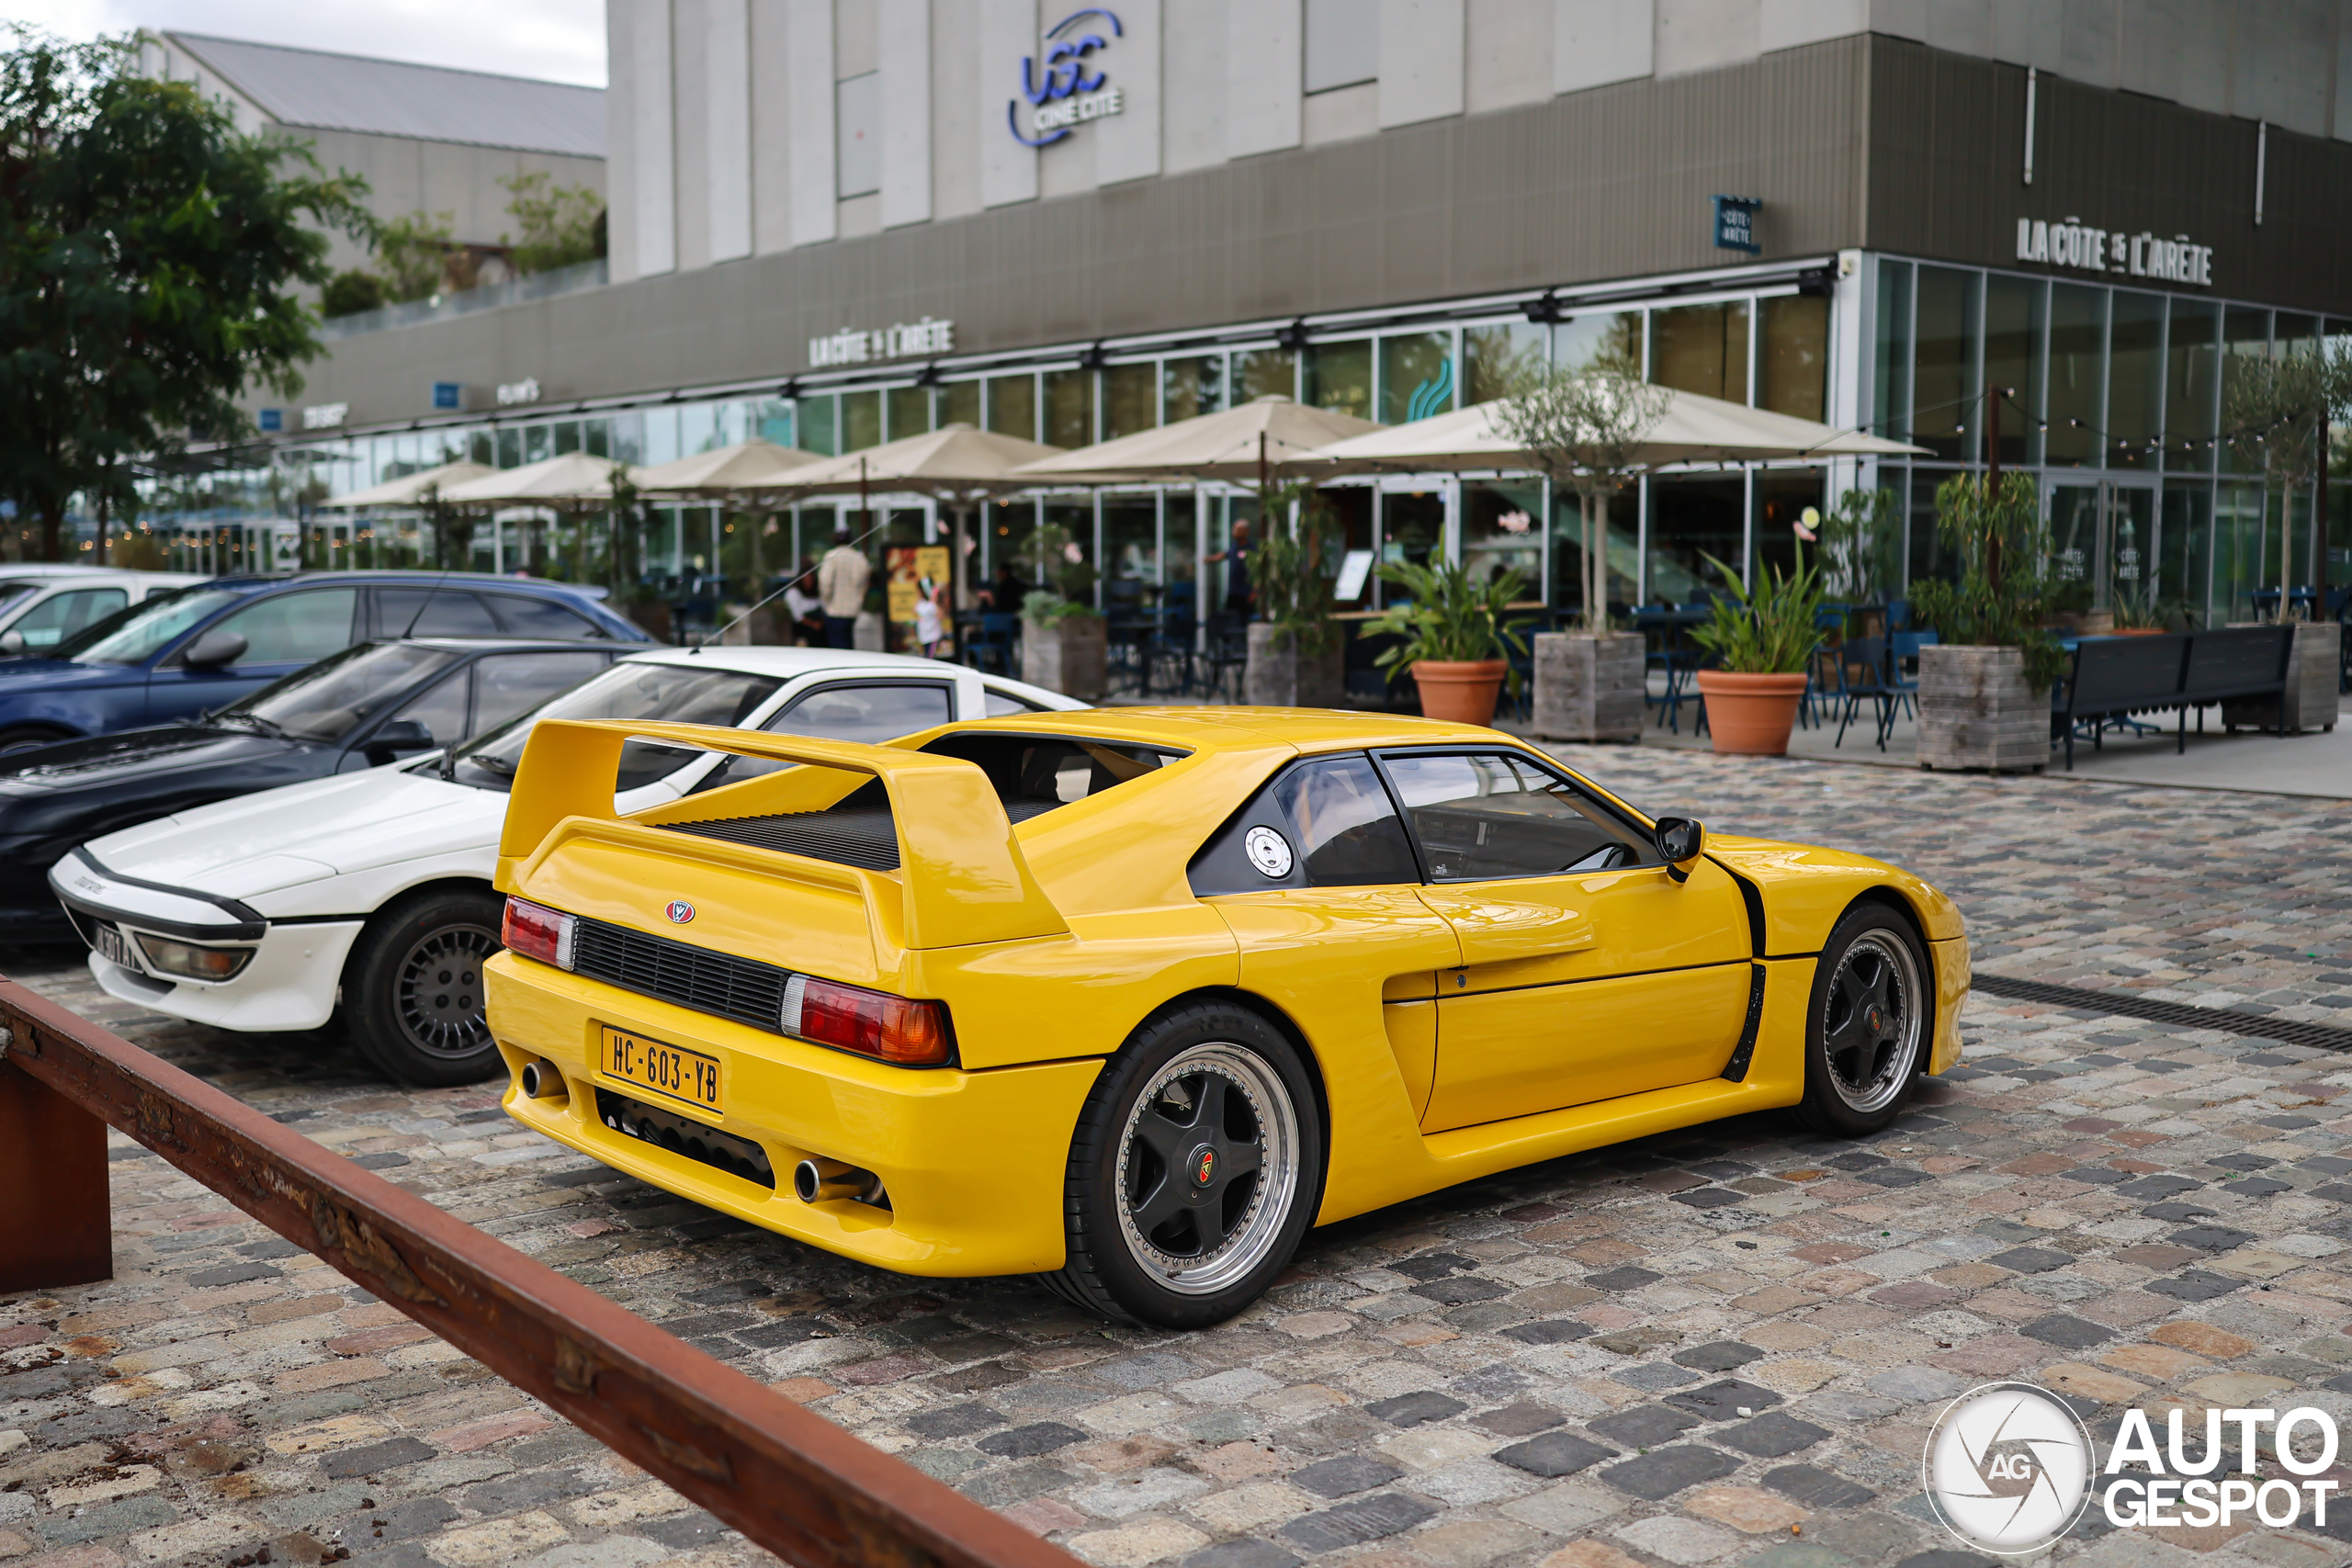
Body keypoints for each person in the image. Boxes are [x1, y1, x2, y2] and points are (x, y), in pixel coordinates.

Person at [817, 525, 870, 649]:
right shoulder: (860, 558)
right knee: (849, 645)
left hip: (834, 610)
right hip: (853, 611)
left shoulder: (831, 556)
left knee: (837, 648)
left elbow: (826, 583)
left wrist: (826, 600)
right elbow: (864, 585)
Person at [1204, 518, 1254, 617]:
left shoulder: (1251, 549)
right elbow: (1224, 555)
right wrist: (1209, 559)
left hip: (1246, 593)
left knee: (1244, 619)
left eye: (1239, 530)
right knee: (1230, 619)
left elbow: (1257, 572)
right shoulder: (1234, 546)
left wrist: (1255, 592)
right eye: (1234, 530)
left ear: (1246, 532)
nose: (1235, 533)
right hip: (1233, 592)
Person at [783, 558, 823, 646]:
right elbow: (798, 617)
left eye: (810, 579)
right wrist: (814, 625)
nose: (808, 582)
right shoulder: (793, 593)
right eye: (806, 580)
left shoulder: (817, 592)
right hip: (804, 631)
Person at [914, 574, 947, 659]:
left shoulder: (933, 604)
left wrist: (934, 600)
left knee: (930, 659)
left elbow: (940, 616)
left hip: (932, 637)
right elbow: (915, 611)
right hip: (923, 637)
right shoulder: (921, 603)